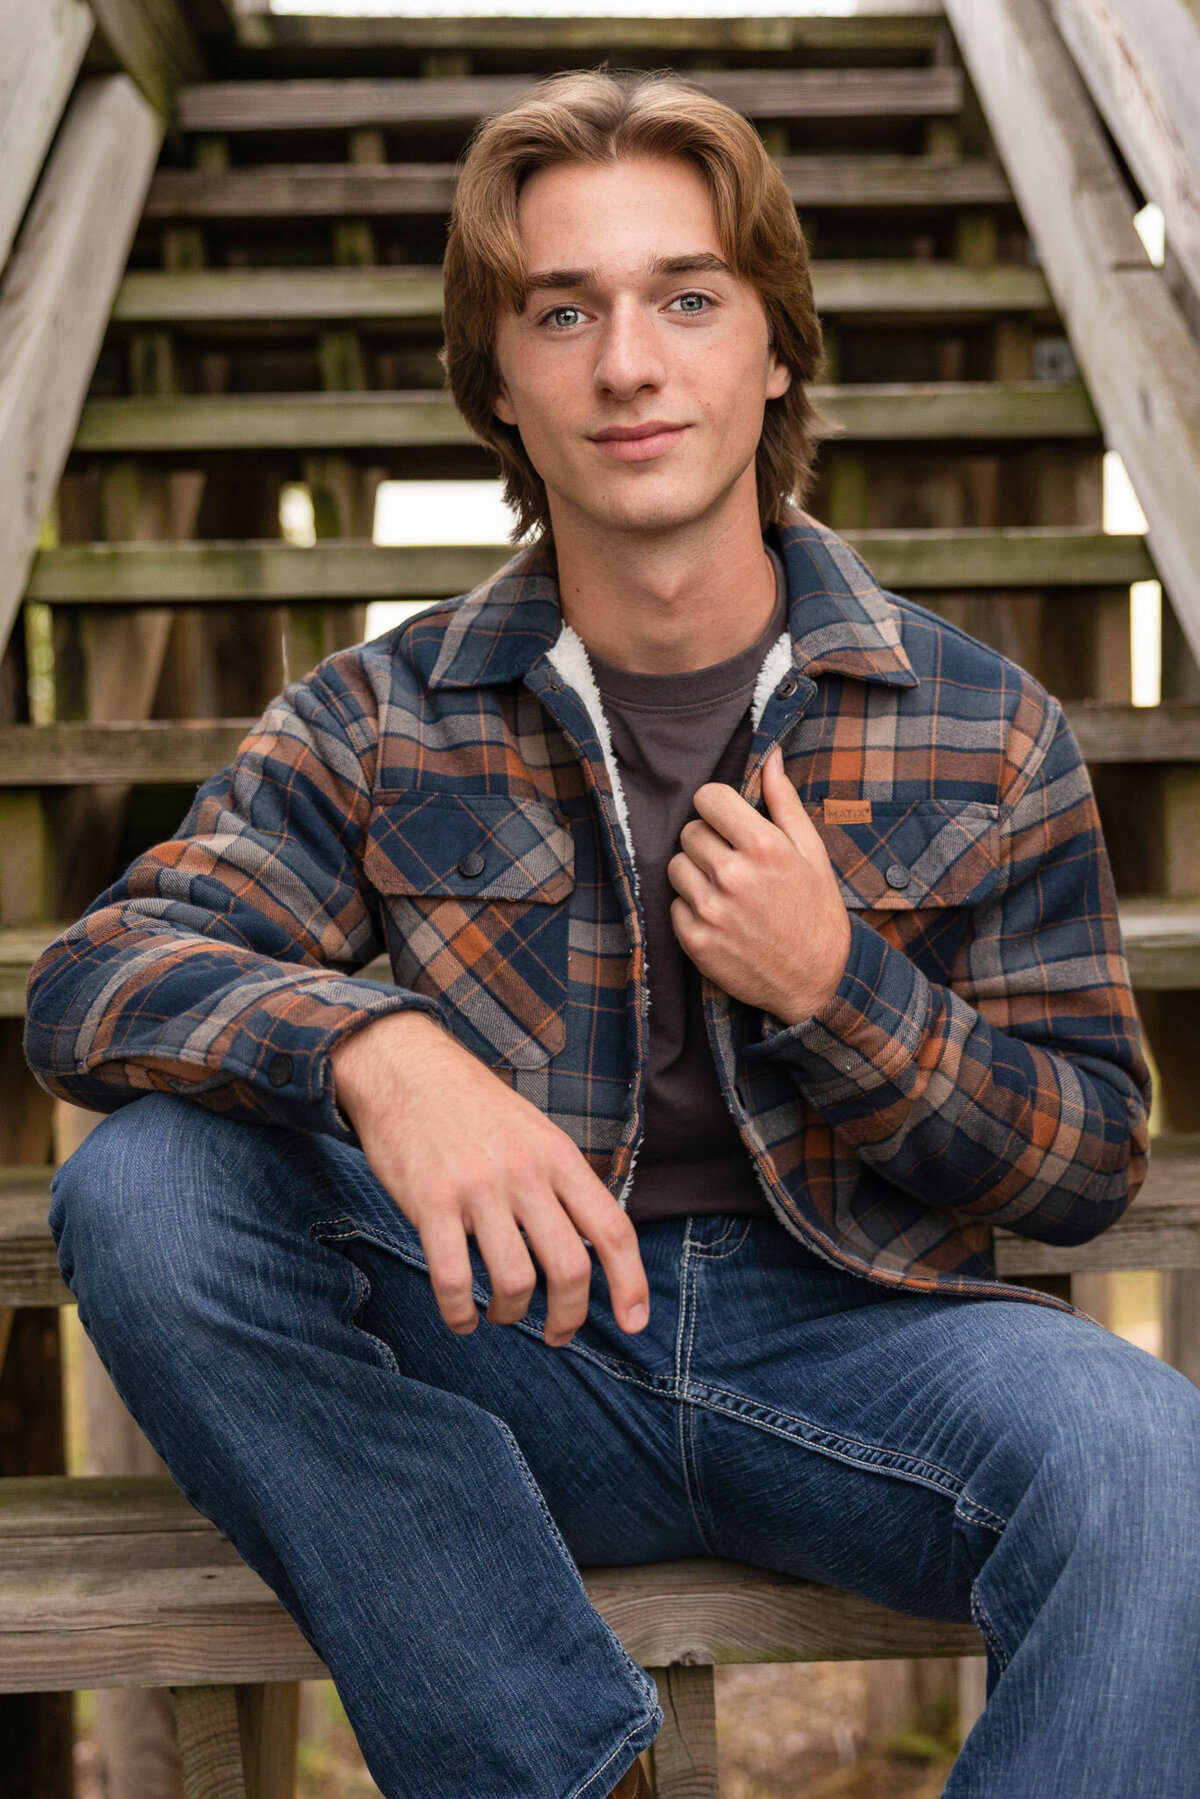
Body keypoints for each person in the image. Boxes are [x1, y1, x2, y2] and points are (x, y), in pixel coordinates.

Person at [26, 69, 1200, 1799]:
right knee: (145, 1188)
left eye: (687, 298)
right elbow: (94, 978)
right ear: (498, 381)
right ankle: (562, 1770)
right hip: (511, 1347)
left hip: (871, 1351)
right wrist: (378, 1051)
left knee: (1159, 1465)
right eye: (563, 312)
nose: (628, 364)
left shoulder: (978, 722)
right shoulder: (385, 712)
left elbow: (1089, 1156)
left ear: (775, 349)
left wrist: (840, 992)